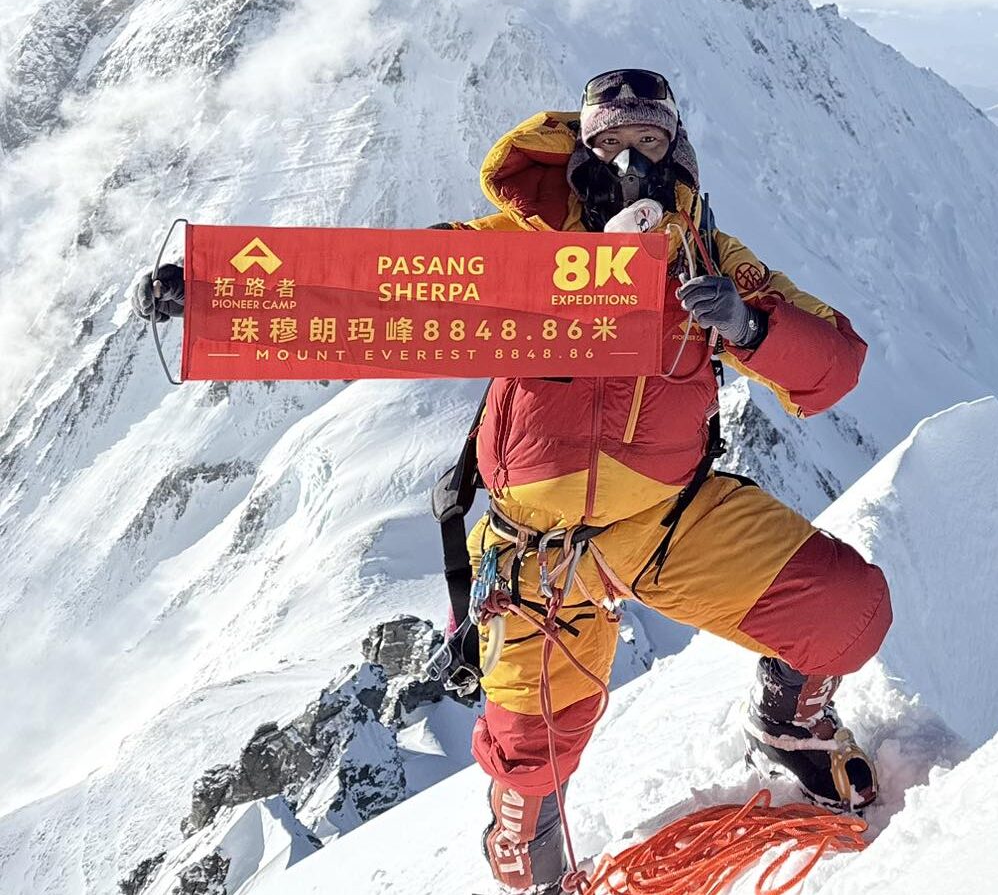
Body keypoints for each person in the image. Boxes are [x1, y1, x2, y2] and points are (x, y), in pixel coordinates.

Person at [133, 69, 891, 894]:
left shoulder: (713, 260)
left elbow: (836, 365)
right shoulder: (519, 252)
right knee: (532, 773)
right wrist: (214, 294)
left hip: (670, 523)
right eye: (609, 144)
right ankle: (522, 837)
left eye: (649, 142)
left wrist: (749, 327)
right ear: (579, 156)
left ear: (680, 154)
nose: (630, 162)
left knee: (847, 612)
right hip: (540, 554)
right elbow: (379, 284)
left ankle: (788, 723)